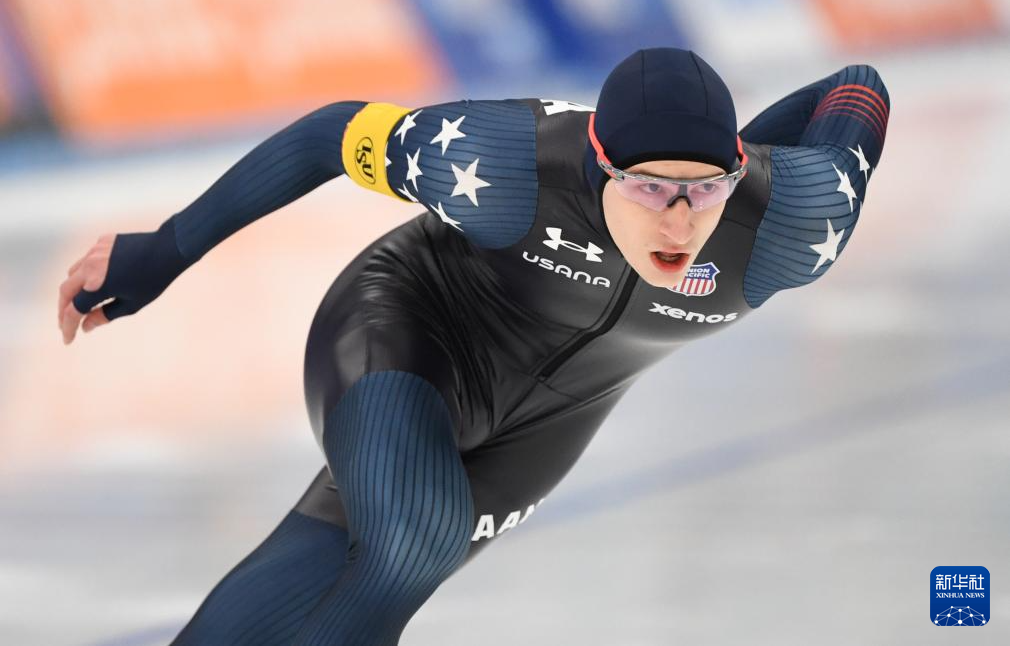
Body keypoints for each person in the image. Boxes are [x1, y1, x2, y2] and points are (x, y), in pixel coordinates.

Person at [57, 47, 889, 644]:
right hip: (409, 331)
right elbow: (330, 136)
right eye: (647, 188)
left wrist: (740, 158)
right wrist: (165, 250)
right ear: (599, 165)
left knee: (348, 553)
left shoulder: (793, 222)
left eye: (703, 191)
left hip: (553, 421)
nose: (678, 222)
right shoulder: (507, 164)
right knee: (413, 537)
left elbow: (857, 85)